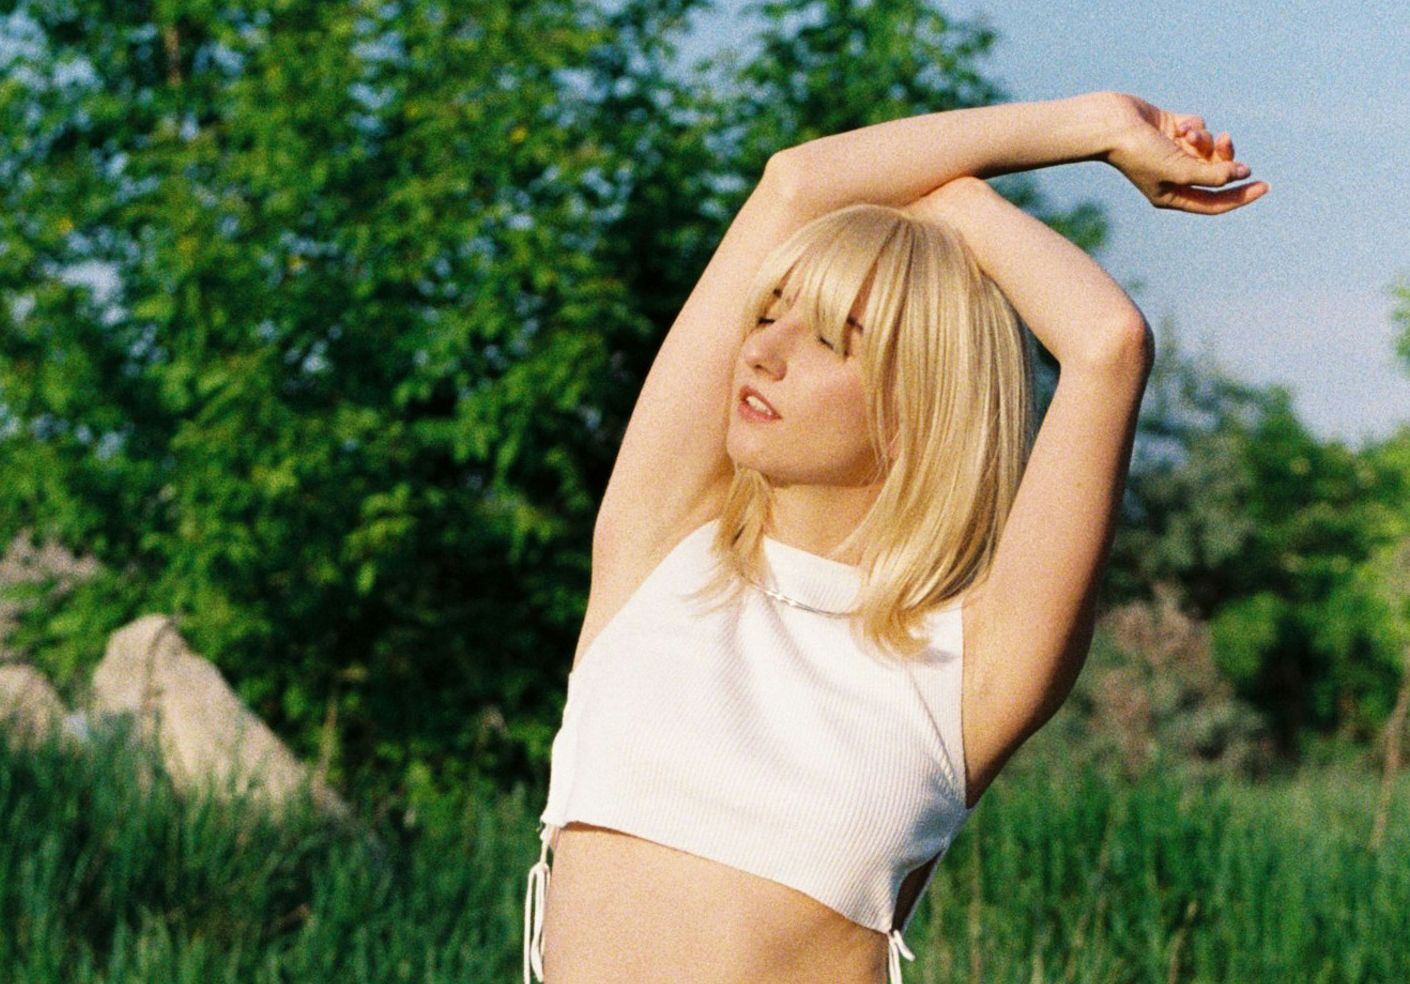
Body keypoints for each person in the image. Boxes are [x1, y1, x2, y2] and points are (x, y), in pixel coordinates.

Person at [522, 90, 1267, 984]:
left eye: (833, 335)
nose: (762, 350)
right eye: (768, 311)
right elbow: (796, 185)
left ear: (920, 405)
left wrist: (953, 199)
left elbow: (1108, 344)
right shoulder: (660, 550)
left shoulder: (968, 665)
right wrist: (1095, 124)